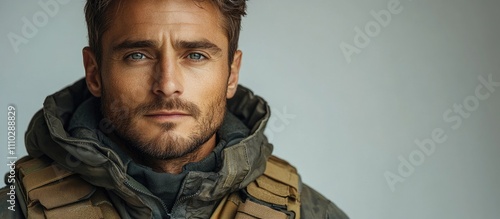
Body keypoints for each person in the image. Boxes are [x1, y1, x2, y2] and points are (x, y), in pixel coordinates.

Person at [1, 0, 348, 218]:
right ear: (95, 73)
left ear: (232, 74)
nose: (167, 84)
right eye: (137, 55)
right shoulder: (15, 207)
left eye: (195, 55)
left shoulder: (307, 212)